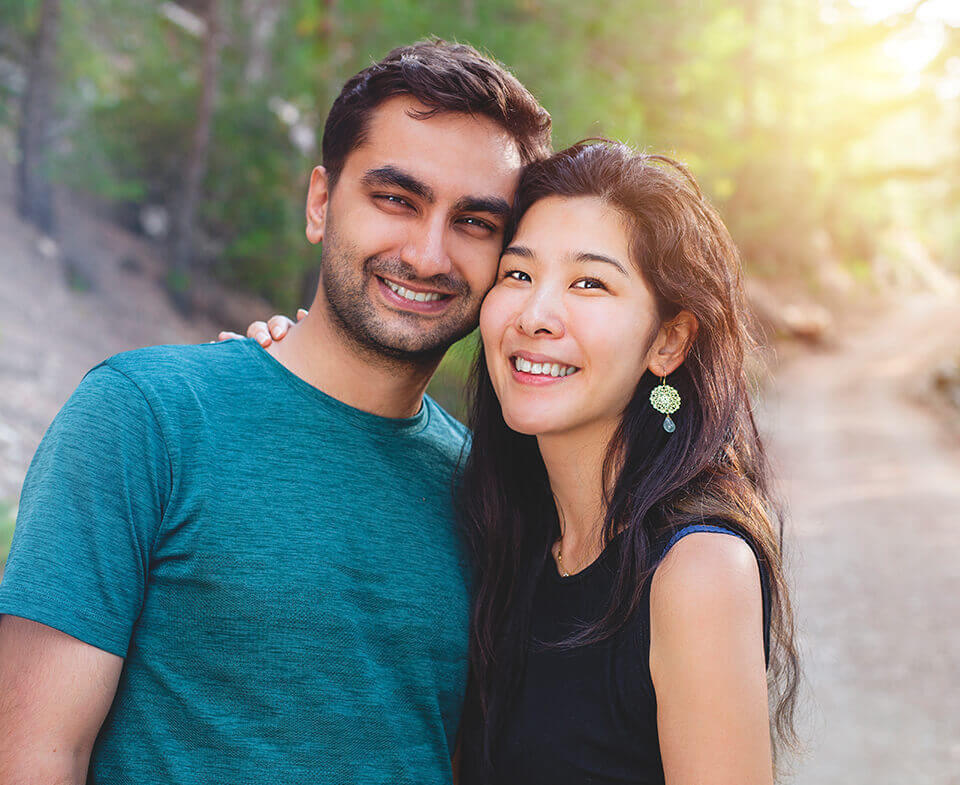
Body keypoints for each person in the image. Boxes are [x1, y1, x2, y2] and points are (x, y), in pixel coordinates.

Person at [0, 40, 551, 785]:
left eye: (475, 222)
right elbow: (32, 755)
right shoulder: (144, 418)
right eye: (396, 199)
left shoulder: (489, 495)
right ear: (321, 201)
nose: (427, 254)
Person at [248, 141, 801, 784]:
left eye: (590, 283)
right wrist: (280, 376)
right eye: (518, 274)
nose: (537, 315)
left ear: (669, 341)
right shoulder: (502, 525)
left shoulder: (696, 568)